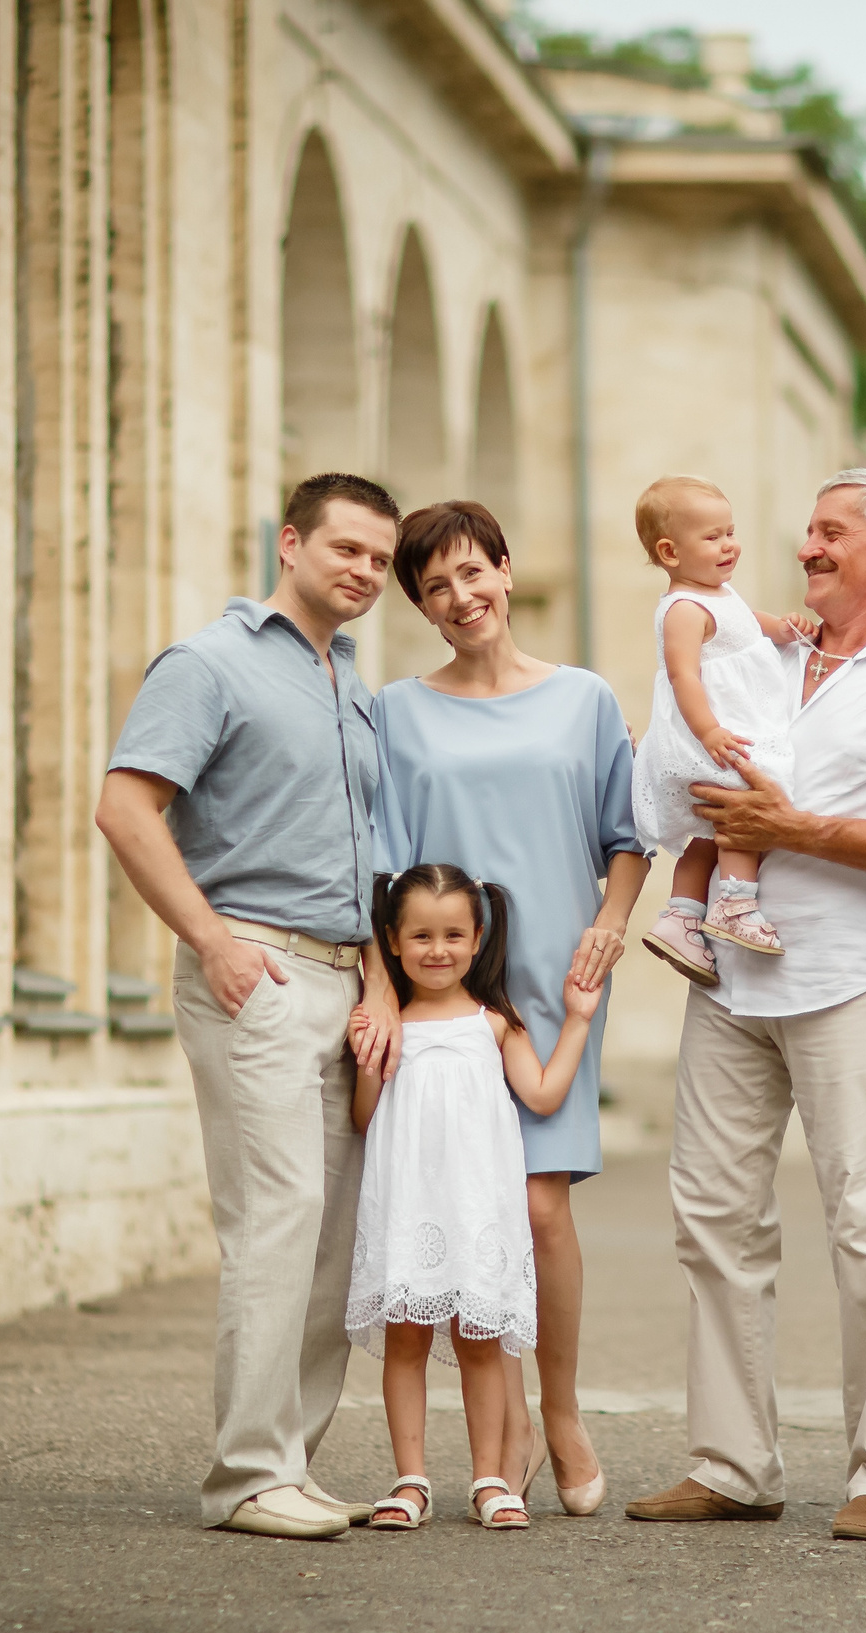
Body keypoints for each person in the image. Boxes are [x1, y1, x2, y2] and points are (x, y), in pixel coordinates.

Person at [624, 468, 866, 1543]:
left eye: (830, 534)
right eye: (810, 533)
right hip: (727, 978)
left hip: (845, 982)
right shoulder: (758, 649)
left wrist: (801, 830)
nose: (806, 549)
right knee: (713, 1219)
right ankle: (732, 1464)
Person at [94, 471, 400, 1540]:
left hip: (345, 980)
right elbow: (127, 807)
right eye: (346, 549)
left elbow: (367, 849)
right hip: (256, 972)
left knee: (330, 1238)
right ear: (290, 542)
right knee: (274, 1225)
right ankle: (245, 1476)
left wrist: (377, 981)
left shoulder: (352, 681)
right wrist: (211, 943)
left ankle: (291, 1465)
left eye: (378, 559)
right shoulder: (209, 663)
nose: (364, 571)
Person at [363, 500, 649, 1519]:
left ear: (507, 570)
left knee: (537, 1206)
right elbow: (382, 864)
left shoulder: (582, 699)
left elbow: (629, 834)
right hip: (442, 982)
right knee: (458, 1203)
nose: (461, 596)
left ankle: (557, 1412)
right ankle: (503, 1425)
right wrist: (382, 988)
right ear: (421, 606)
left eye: (473, 573)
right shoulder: (394, 710)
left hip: (555, 974)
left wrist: (609, 928)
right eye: (436, 586)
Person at [344, 865, 604, 1533]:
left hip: (477, 1207)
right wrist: (370, 1061)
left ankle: (492, 1478)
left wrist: (577, 1019)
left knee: (480, 1340)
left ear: (480, 936)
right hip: (409, 1204)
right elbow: (364, 1117)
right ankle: (410, 1479)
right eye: (421, 935)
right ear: (393, 942)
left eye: (454, 934)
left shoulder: (495, 1024)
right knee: (405, 1338)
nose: (439, 949)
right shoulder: (390, 1023)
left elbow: (543, 1094)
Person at [629, 475, 818, 976]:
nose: (729, 544)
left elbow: (748, 623)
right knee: (744, 810)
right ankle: (736, 905)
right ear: (670, 552)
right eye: (712, 537)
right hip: (705, 738)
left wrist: (783, 628)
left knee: (710, 835)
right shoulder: (684, 610)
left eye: (730, 531)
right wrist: (709, 731)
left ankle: (680, 917)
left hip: (720, 731)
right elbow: (682, 674)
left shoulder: (718, 594)